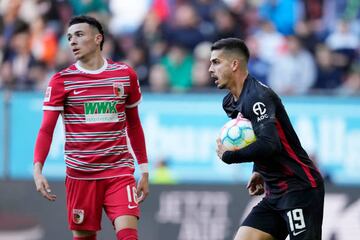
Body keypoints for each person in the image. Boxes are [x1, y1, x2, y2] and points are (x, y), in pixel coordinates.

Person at [33, 15, 149, 240]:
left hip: (119, 172)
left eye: (79, 35)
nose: (72, 41)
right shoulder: (61, 81)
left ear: (98, 38)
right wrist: (38, 169)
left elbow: (134, 124)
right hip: (81, 176)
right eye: (69, 37)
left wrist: (143, 169)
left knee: (129, 236)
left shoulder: (124, 75)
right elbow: (46, 129)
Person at [209, 38, 324, 240]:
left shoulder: (258, 96)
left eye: (216, 62)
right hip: (274, 192)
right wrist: (258, 169)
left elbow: (270, 144)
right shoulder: (230, 102)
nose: (210, 69)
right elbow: (255, 137)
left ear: (234, 64)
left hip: (299, 188)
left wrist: (230, 156)